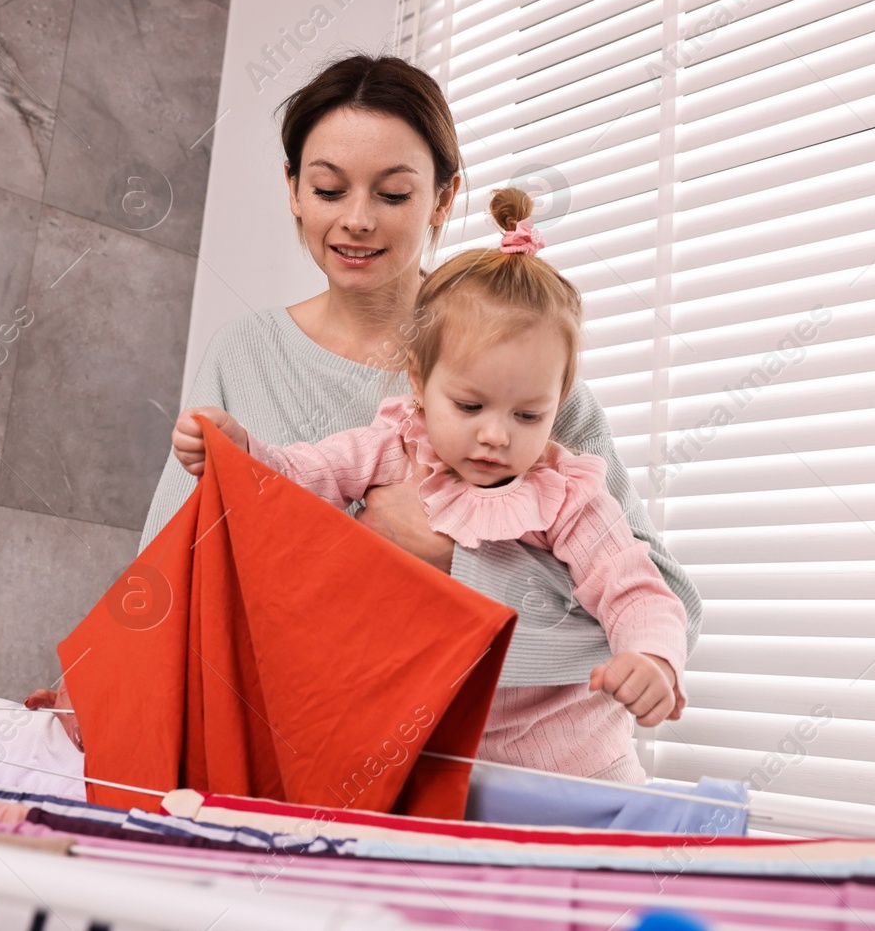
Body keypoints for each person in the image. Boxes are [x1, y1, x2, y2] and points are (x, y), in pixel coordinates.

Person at [44, 53, 700, 782]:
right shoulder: (245, 354)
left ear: (443, 200)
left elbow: (666, 603)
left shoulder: (517, 369)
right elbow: (175, 580)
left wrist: (460, 563)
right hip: (350, 766)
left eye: (392, 193)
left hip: (547, 772)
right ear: (294, 192)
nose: (356, 219)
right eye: (328, 188)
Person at [172, 186, 687, 777]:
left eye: (527, 416)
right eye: (469, 407)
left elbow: (634, 588)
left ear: (558, 404)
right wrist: (239, 452)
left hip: (574, 759)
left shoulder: (567, 493)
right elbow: (300, 478)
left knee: (611, 854)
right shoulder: (390, 447)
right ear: (418, 383)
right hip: (444, 756)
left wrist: (652, 658)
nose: (496, 436)